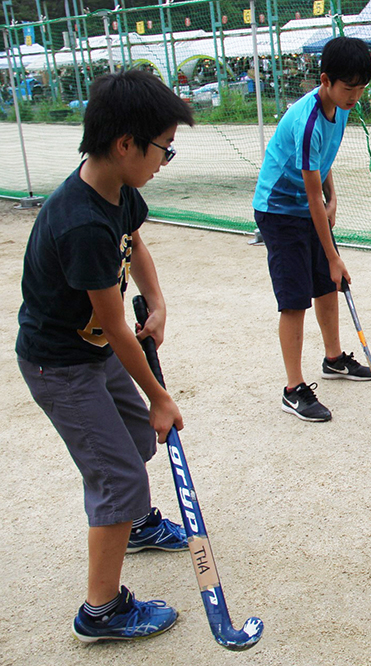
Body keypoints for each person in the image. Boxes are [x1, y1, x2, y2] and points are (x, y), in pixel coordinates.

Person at [16, 69, 195, 642]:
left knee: (139, 438)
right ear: (126, 144)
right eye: (164, 149)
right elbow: (118, 329)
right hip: (61, 366)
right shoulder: (82, 223)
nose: (164, 161)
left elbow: (135, 239)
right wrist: (161, 397)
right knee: (119, 474)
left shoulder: (116, 190)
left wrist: (160, 301)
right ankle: (101, 611)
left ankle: (137, 523)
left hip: (91, 351)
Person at [252, 37, 371, 423]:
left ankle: (334, 358)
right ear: (325, 80)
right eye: (348, 87)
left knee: (327, 285)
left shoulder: (340, 107)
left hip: (309, 205)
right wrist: (334, 254)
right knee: (294, 299)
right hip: (280, 211)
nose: (354, 95)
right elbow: (307, 194)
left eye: (361, 87)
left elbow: (324, 162)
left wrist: (332, 198)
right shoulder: (307, 122)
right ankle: (293, 390)